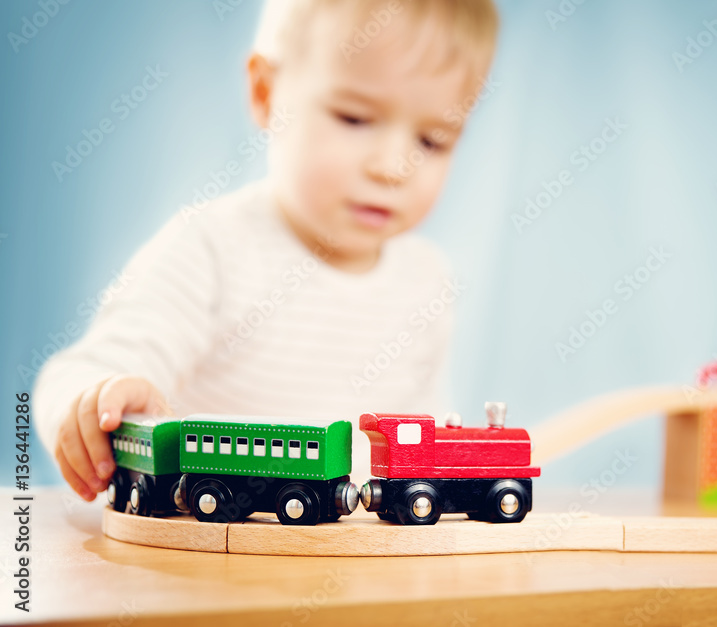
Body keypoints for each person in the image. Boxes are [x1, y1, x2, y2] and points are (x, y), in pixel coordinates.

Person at [33, 0, 499, 502]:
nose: (393, 167)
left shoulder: (427, 277)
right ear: (266, 93)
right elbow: (80, 373)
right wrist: (94, 404)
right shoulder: (211, 247)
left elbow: (420, 442)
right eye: (354, 117)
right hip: (215, 560)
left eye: (432, 141)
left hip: (358, 559)